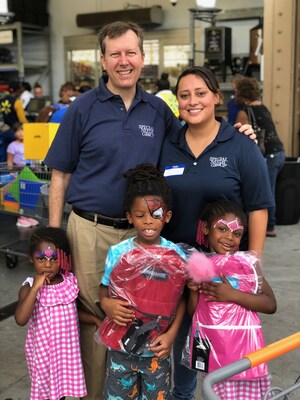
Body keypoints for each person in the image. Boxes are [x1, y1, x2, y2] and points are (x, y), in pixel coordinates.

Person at [44, 21, 255, 400]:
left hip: (146, 233)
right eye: (115, 54)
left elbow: (195, 134)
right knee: (102, 320)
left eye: (131, 53)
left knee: (150, 318)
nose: (124, 61)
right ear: (103, 61)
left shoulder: (158, 111)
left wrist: (236, 134)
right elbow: (60, 174)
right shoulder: (82, 109)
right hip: (91, 231)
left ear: (143, 58)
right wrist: (56, 237)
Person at [157, 66, 274, 400]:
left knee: (224, 348)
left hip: (225, 271)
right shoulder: (169, 146)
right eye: (184, 95)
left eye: (200, 93)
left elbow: (259, 206)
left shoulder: (240, 146)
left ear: (216, 97)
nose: (192, 101)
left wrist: (253, 264)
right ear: (177, 102)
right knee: (183, 348)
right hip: (179, 266)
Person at [99, 163, 187, 399]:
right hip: (120, 349)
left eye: (156, 215)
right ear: (129, 217)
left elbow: (181, 300)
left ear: (167, 216)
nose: (148, 221)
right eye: (140, 215)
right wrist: (107, 305)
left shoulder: (177, 257)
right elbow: (104, 288)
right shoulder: (118, 252)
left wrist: (171, 335)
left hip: (157, 352)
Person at [186, 198, 277, 399]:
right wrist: (193, 290)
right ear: (206, 228)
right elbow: (195, 314)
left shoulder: (247, 264)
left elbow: (270, 304)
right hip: (214, 353)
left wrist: (232, 295)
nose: (229, 238)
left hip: (247, 354)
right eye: (222, 229)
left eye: (237, 233)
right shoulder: (201, 266)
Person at [14, 227, 88, 400]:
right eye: (41, 258)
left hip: (65, 355)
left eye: (54, 259)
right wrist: (36, 288)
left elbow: (71, 313)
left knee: (60, 393)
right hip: (44, 356)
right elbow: (20, 319)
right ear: (31, 258)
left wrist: (94, 319)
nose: (47, 264)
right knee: (46, 395)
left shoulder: (69, 282)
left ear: (63, 258)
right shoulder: (28, 287)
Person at [235, 76, 286, 238]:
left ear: (241, 93)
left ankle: (269, 226)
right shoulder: (263, 108)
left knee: (265, 193)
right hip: (279, 153)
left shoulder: (245, 112)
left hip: (268, 156)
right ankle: (270, 223)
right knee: (269, 190)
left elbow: (236, 135)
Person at [0, 81, 28, 160]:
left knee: (5, 154)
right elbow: (22, 120)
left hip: (4, 130)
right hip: (15, 131)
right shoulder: (17, 102)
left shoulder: (1, 101)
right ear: (18, 91)